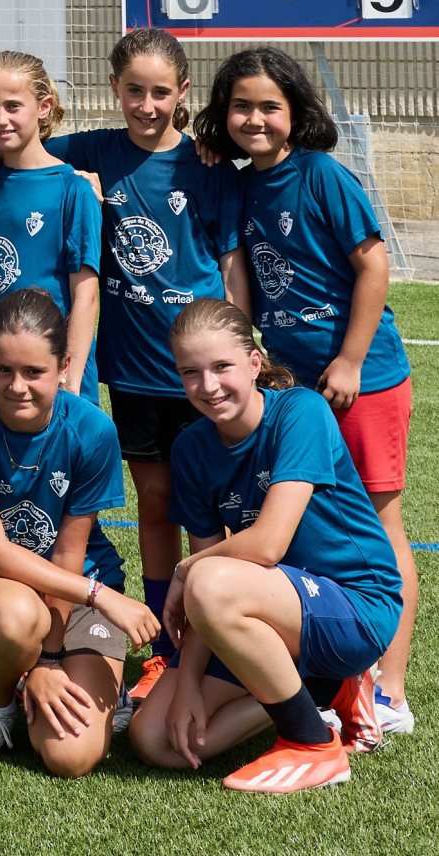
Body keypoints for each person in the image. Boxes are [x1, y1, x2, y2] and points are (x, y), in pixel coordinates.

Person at [0, 30, 246, 713]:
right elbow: (3, 148)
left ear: (182, 92)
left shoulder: (208, 165)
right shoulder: (94, 150)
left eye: (160, 92)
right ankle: (162, 647)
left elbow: (231, 262)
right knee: (153, 503)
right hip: (133, 372)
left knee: (215, 509)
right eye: (133, 91)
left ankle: (220, 637)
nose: (146, 105)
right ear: (113, 89)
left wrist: (243, 346)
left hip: (203, 370)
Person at [193, 46, 417, 735]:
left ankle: (389, 691)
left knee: (376, 524)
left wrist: (349, 359)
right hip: (295, 388)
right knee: (307, 524)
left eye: (270, 106)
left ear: (296, 112)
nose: (254, 119)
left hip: (362, 380)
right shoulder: (237, 185)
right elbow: (241, 279)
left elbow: (372, 265)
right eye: (240, 107)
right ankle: (326, 674)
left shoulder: (321, 174)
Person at [128, 298, 399, 793]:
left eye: (222, 366)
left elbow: (268, 545)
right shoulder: (191, 449)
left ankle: (311, 743)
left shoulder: (301, 411)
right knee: (155, 739)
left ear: (255, 363)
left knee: (209, 579)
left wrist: (187, 569)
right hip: (271, 610)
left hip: (355, 606)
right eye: (191, 372)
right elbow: (206, 588)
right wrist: (186, 684)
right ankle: (326, 686)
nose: (208, 385)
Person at [0, 289, 159, 775]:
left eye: (34, 372)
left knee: (70, 756)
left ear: (64, 367)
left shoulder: (93, 430)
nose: (17, 386)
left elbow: (69, 552)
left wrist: (51, 658)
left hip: (76, 582)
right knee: (14, 615)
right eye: (4, 370)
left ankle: (75, 683)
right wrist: (101, 597)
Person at [0, 51, 101, 404]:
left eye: (13, 106)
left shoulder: (73, 189)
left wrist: (70, 378)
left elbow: (86, 297)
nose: (0, 119)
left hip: (55, 374)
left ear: (44, 106)